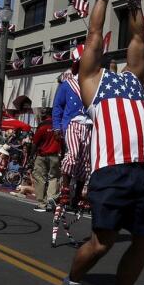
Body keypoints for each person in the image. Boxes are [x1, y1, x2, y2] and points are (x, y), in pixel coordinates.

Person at [58, 0, 144, 285]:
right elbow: (96, 32)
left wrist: (134, 1)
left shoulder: (133, 78)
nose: (105, 55)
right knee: (103, 241)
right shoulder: (91, 81)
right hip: (111, 170)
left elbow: (138, 38)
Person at [53, 52, 92, 213]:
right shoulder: (67, 84)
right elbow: (57, 107)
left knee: (85, 162)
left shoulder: (94, 84)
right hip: (72, 123)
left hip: (89, 125)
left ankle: (76, 196)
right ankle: (65, 190)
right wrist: (56, 127)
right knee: (73, 155)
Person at [31, 111, 62, 211]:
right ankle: (51, 198)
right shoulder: (60, 125)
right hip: (55, 155)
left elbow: (35, 143)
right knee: (54, 178)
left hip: (42, 155)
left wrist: (31, 156)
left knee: (40, 178)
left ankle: (41, 204)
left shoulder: (42, 126)